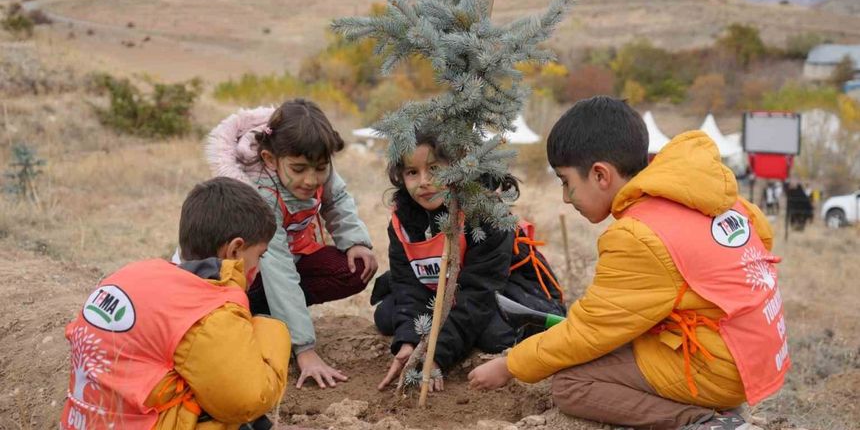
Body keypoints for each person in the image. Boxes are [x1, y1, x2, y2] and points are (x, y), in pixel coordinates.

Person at [469, 97, 788, 430]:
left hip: (720, 368)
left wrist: (510, 365)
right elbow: (761, 237)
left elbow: (589, 333)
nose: (565, 197)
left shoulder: (638, 236)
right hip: (758, 353)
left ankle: (705, 421)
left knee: (572, 385)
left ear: (600, 175)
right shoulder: (711, 198)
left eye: (566, 182)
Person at [61, 177, 290, 430]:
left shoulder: (135, 273)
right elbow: (246, 400)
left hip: (83, 421)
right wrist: (270, 329)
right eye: (260, 255)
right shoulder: (209, 310)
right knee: (229, 397)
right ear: (235, 250)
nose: (258, 268)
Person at [205, 99, 378, 389]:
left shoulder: (313, 160)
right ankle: (251, 312)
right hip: (247, 274)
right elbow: (277, 266)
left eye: (320, 168)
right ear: (270, 159)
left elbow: (338, 200)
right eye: (298, 169)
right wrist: (305, 348)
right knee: (259, 290)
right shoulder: (260, 192)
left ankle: (271, 315)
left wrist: (355, 242)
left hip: (294, 257)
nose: (311, 179)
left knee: (354, 268)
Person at [373, 132, 565, 392]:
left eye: (434, 169)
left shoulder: (487, 216)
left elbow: (479, 293)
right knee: (386, 316)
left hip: (503, 289)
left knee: (495, 334)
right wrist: (410, 343)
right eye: (411, 172)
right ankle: (454, 330)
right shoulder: (402, 221)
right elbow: (408, 285)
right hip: (440, 292)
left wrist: (437, 355)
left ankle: (469, 333)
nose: (424, 182)